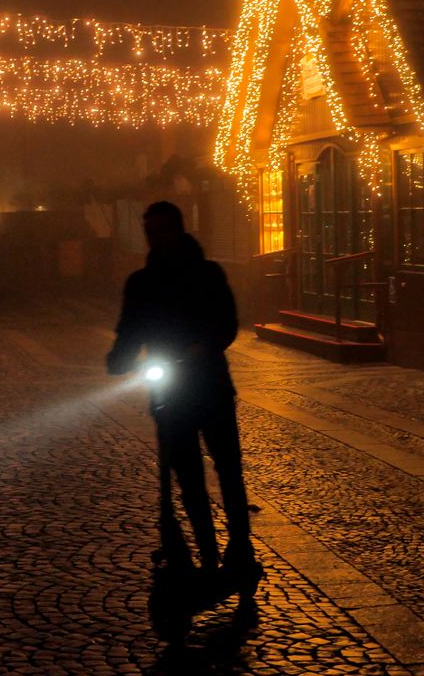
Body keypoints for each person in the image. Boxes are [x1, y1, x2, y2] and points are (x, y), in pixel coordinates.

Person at [106, 201, 260, 586]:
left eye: (161, 230)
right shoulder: (141, 282)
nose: (155, 238)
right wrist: (119, 358)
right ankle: (206, 549)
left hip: (208, 384)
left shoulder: (207, 274)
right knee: (187, 473)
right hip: (169, 392)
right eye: (150, 232)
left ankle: (240, 545)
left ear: (177, 230)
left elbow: (226, 324)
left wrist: (201, 348)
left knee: (227, 468)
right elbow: (131, 329)